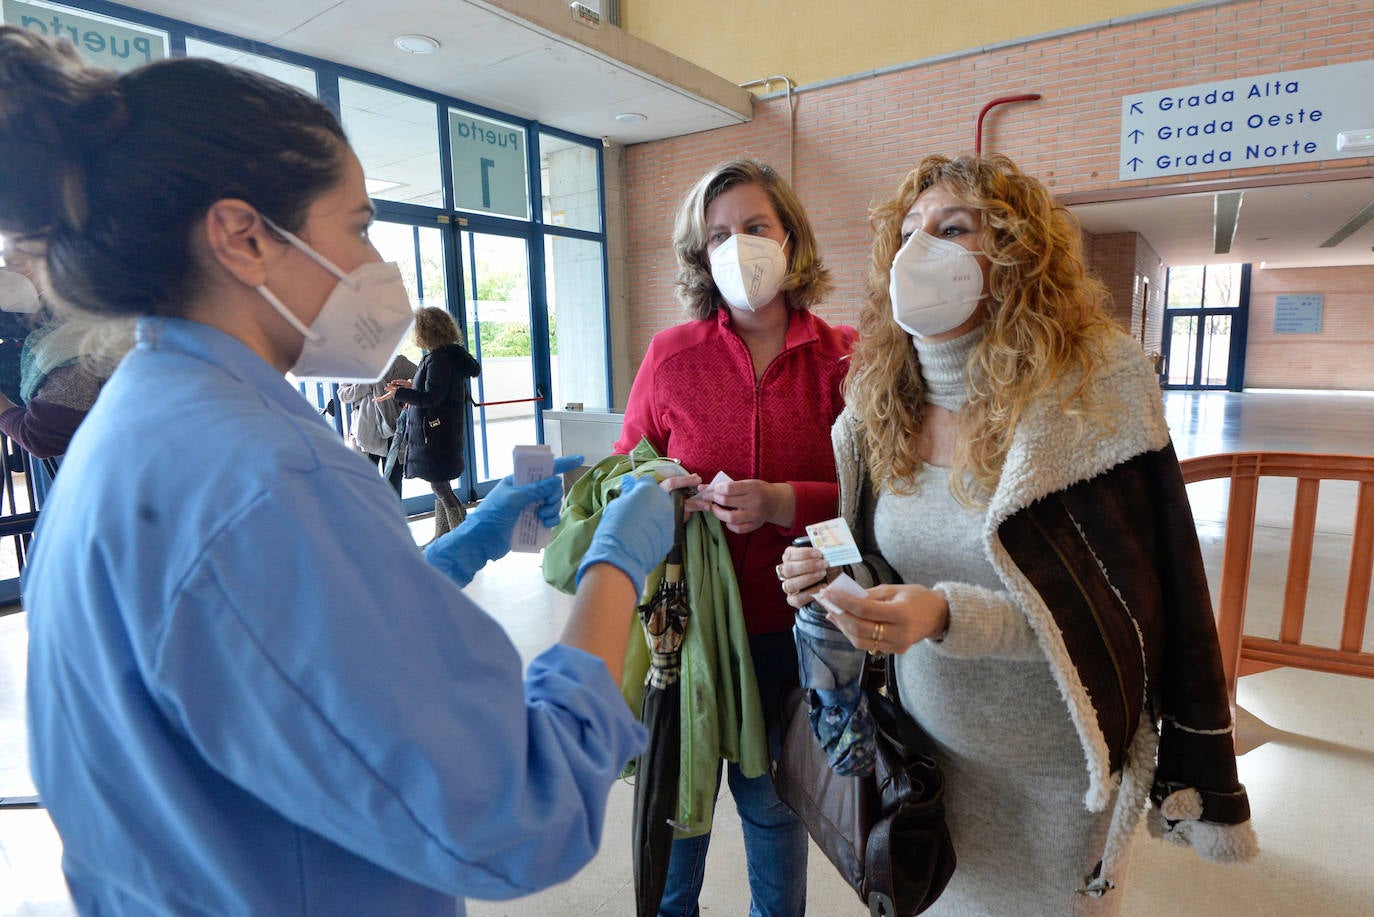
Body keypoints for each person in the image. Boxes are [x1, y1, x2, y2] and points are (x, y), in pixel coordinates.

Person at [1, 26, 676, 915]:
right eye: (358, 226)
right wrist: (613, 566)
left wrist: (462, 544)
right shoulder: (267, 476)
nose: (374, 264)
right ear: (242, 236)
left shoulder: (136, 428)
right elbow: (518, 807)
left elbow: (286, 656)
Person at [778, 154, 1257, 913]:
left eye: (952, 229)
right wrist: (837, 582)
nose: (917, 250)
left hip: (1057, 771)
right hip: (923, 759)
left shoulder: (1093, 394)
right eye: (908, 231)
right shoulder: (877, 404)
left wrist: (947, 614)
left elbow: (1123, 612)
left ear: (1014, 253)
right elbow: (878, 558)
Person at [616, 157, 856, 916]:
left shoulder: (845, 358)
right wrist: (663, 494)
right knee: (678, 817)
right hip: (684, 631)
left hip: (795, 634)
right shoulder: (670, 356)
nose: (737, 246)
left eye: (755, 226)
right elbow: (623, 477)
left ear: (791, 238)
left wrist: (787, 502)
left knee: (773, 813)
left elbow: (878, 510)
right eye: (719, 234)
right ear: (699, 252)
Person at [0, 240, 129, 504]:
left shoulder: (76, 355)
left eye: (12, 263)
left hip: (116, 481)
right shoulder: (88, 313)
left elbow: (40, 438)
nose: (5, 273)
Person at [381, 306, 481, 536]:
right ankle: (444, 535)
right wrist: (409, 385)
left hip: (435, 436)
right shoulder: (447, 356)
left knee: (439, 486)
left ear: (427, 332)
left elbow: (431, 398)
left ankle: (460, 535)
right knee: (440, 485)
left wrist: (400, 394)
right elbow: (436, 390)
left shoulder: (438, 359)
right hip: (441, 433)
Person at [337, 351, 418, 496]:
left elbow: (418, 382)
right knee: (367, 487)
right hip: (366, 433)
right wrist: (369, 384)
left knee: (394, 486)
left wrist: (405, 395)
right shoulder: (352, 365)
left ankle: (393, 512)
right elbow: (343, 395)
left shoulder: (398, 361)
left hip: (394, 431)